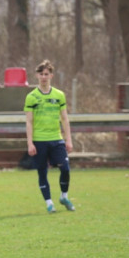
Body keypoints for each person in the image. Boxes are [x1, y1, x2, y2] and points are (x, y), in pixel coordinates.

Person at [25, 59, 75, 213]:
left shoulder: (59, 95)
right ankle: (49, 203)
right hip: (39, 140)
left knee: (65, 169)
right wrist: (30, 143)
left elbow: (64, 118)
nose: (43, 77)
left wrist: (68, 140)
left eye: (46, 74)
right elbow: (29, 122)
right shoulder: (31, 97)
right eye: (41, 74)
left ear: (51, 76)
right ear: (37, 76)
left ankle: (64, 196)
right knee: (42, 172)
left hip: (56, 139)